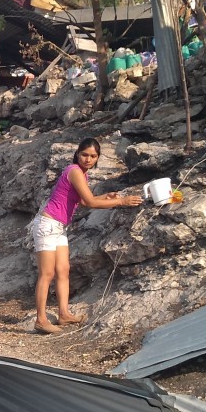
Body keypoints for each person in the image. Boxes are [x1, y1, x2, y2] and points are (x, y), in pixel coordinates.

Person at [31, 138, 143, 335]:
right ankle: (40, 320)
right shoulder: (74, 171)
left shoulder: (82, 175)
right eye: (85, 155)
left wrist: (105, 197)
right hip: (48, 224)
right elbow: (90, 203)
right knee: (47, 274)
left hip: (58, 227)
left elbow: (83, 201)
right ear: (77, 154)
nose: (88, 159)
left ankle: (64, 314)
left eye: (93, 156)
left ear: (97, 157)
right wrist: (122, 201)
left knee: (63, 270)